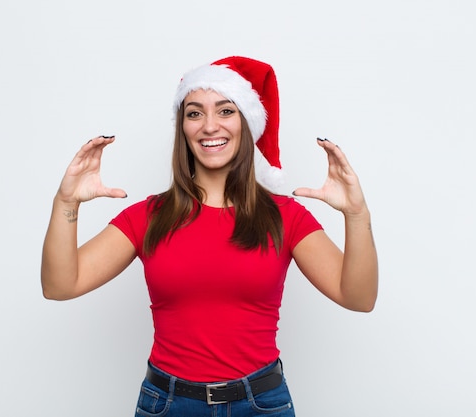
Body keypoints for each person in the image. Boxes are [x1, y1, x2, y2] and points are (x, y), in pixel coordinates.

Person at [41, 56, 378, 417]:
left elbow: (358, 297)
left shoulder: (284, 216)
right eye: (195, 113)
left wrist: (356, 214)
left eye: (226, 111)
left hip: (261, 405)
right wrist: (66, 202)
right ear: (183, 128)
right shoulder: (149, 216)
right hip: (168, 405)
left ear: (246, 123)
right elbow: (61, 285)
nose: (209, 126)